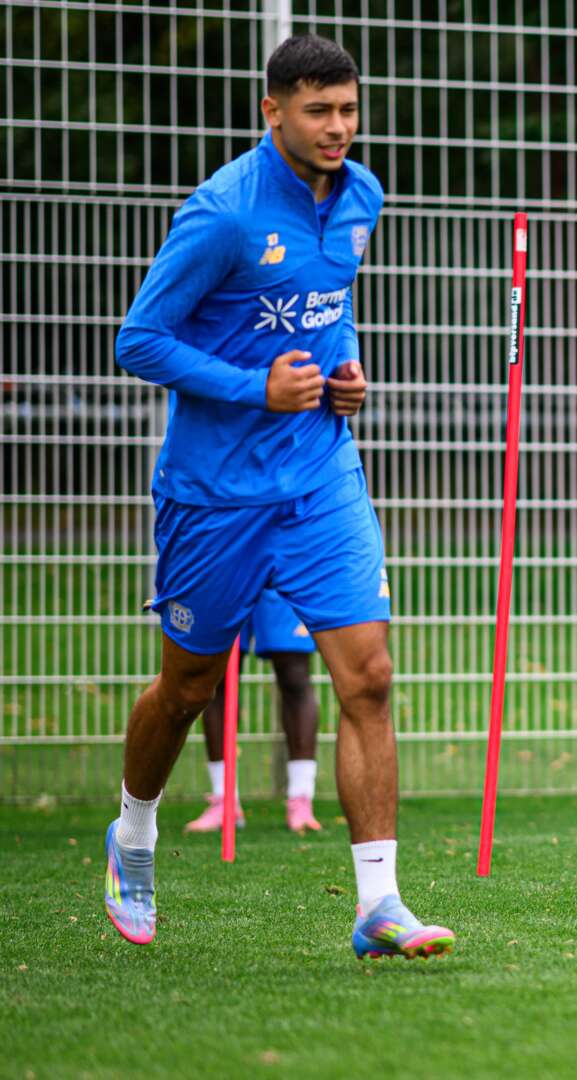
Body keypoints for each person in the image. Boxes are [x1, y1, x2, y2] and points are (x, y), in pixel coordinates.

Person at [103, 35, 451, 958]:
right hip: (215, 493)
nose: (338, 128)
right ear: (273, 112)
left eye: (348, 108)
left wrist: (344, 373)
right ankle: (133, 831)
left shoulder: (364, 196)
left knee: (369, 677)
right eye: (317, 111)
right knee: (185, 687)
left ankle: (378, 904)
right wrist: (256, 387)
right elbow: (139, 341)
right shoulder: (220, 214)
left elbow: (327, 305)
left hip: (321, 473)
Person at [181, 588, 325, 835]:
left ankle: (301, 800)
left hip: (282, 564)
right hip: (230, 567)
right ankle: (224, 800)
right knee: (218, 678)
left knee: (295, 676)